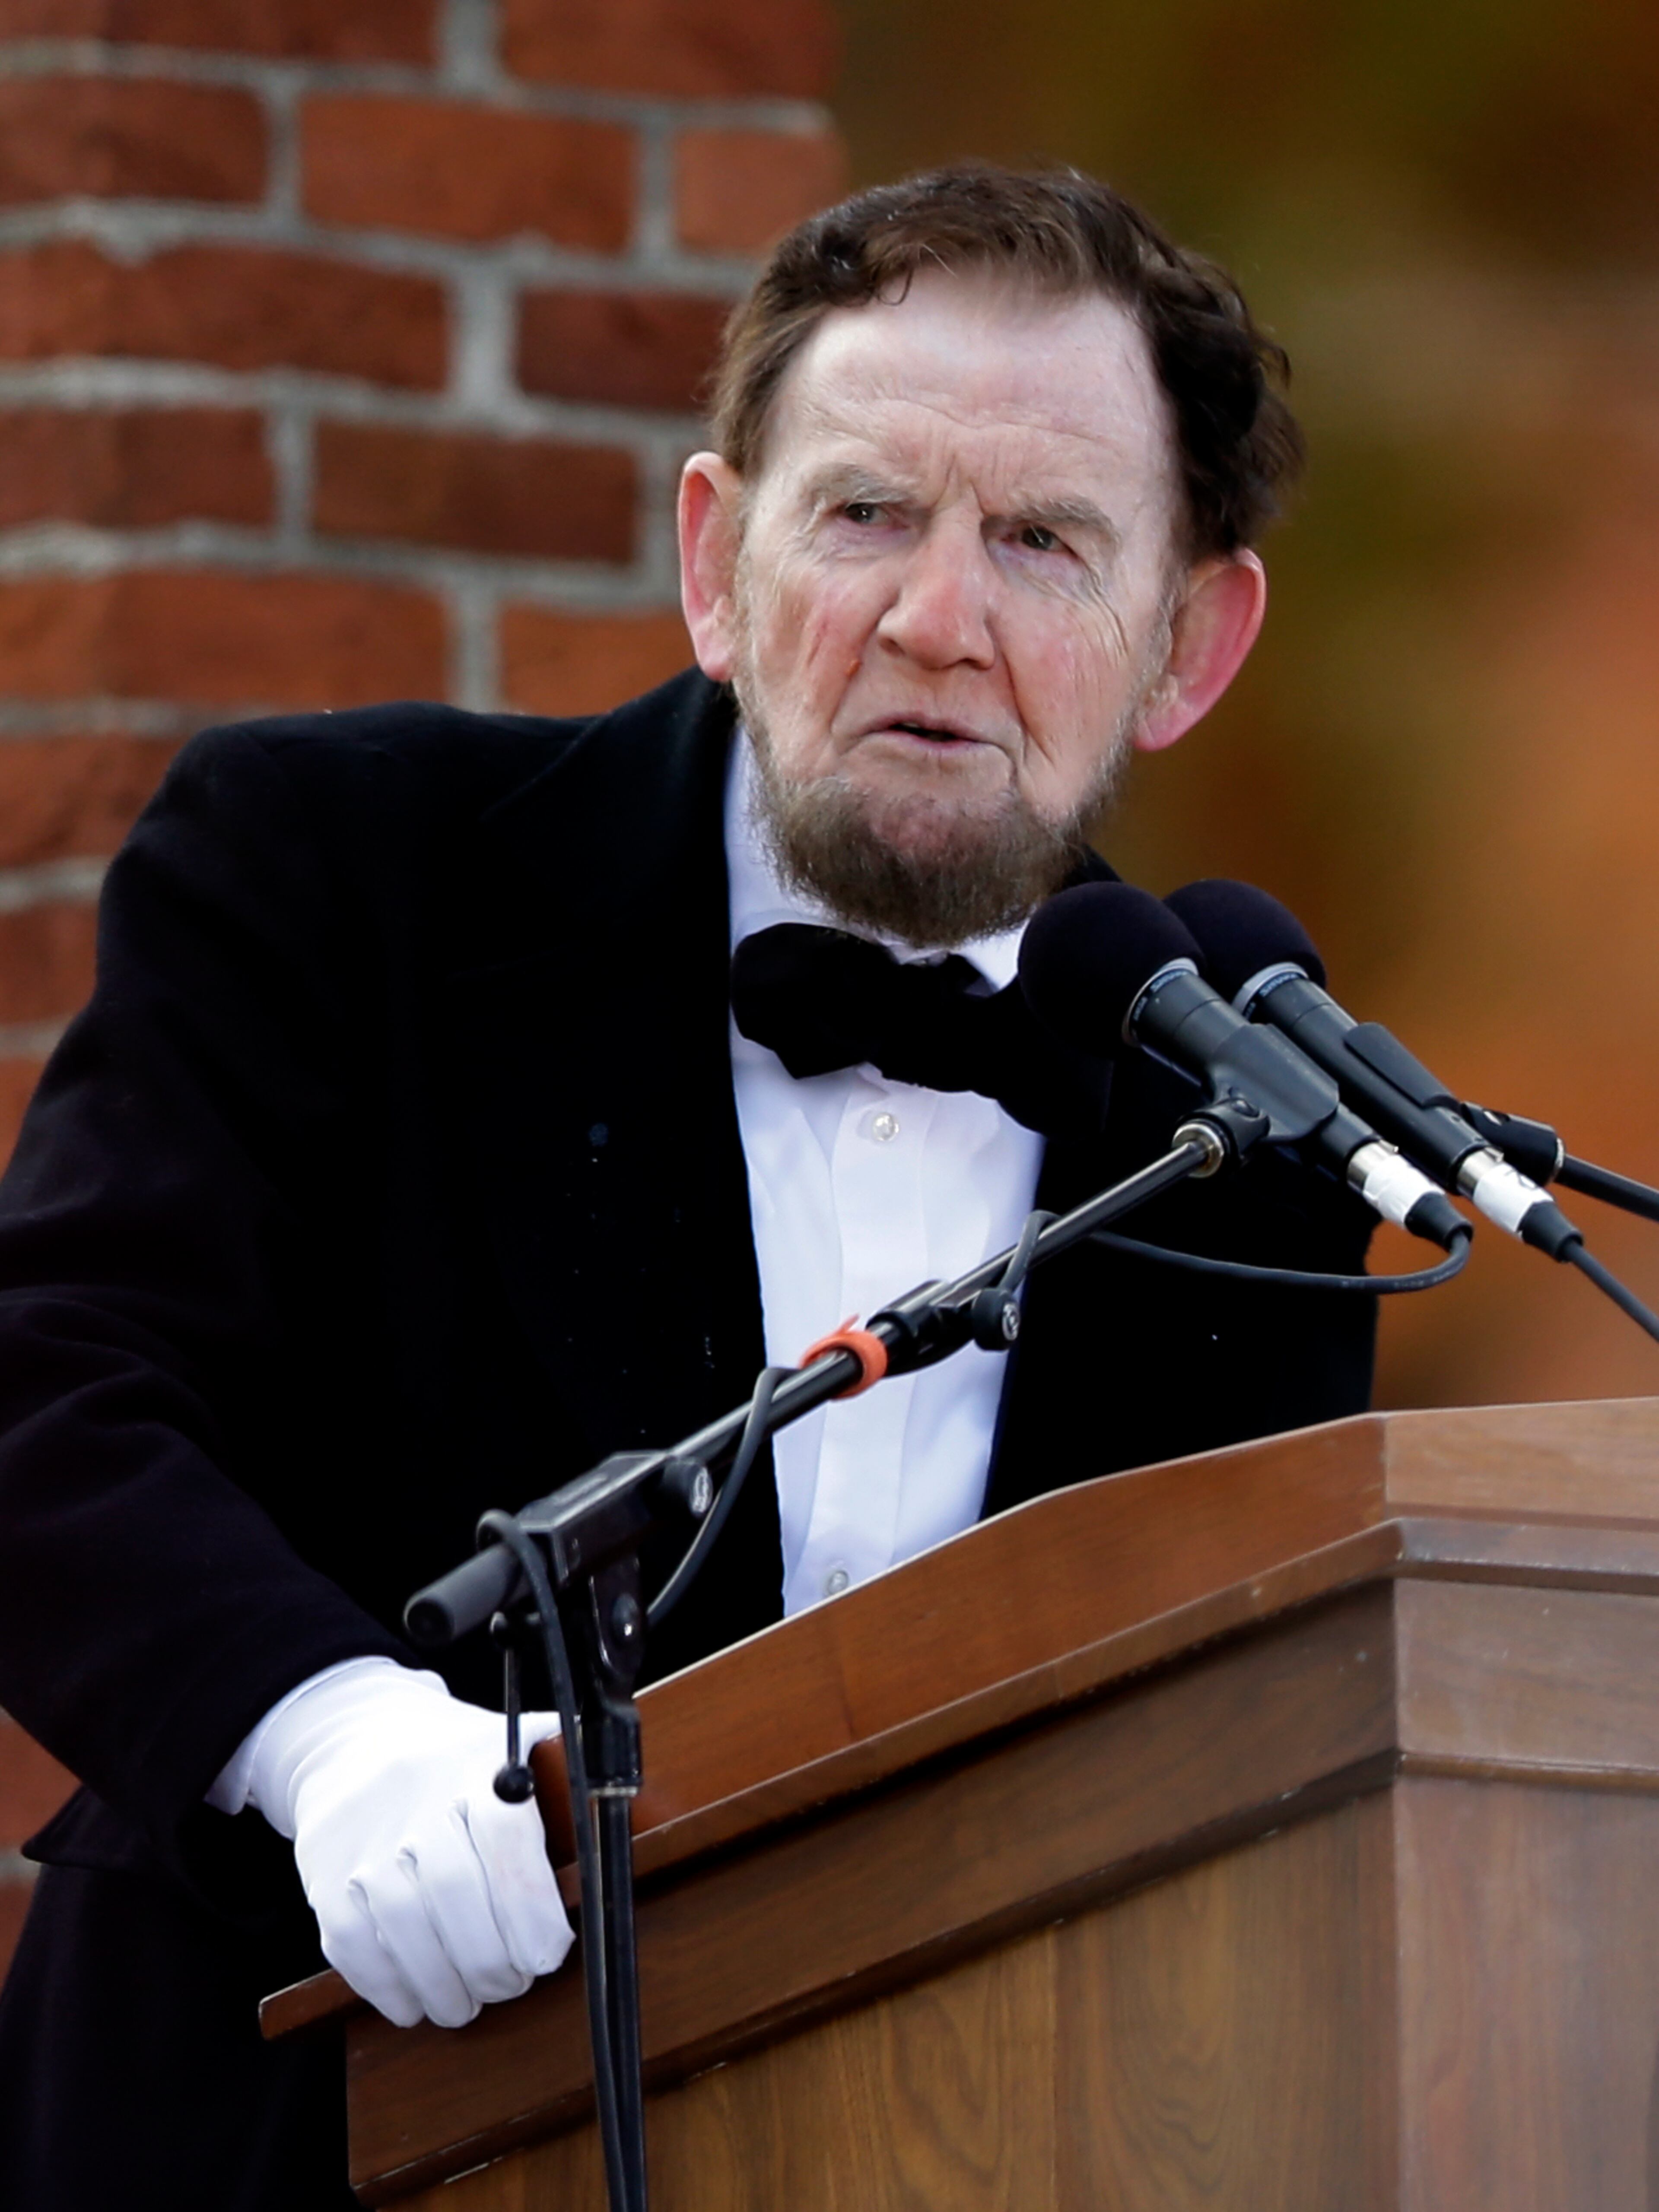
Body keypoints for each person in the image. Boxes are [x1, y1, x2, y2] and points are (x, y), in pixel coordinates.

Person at [0, 165, 1374, 2208]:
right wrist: (321, 1728)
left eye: (1045, 542)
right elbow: (47, 1389)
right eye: (866, 514)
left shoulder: (1252, 1102)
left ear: (1190, 642)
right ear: (717, 564)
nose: (939, 618)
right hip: (279, 2149)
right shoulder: (334, 866)